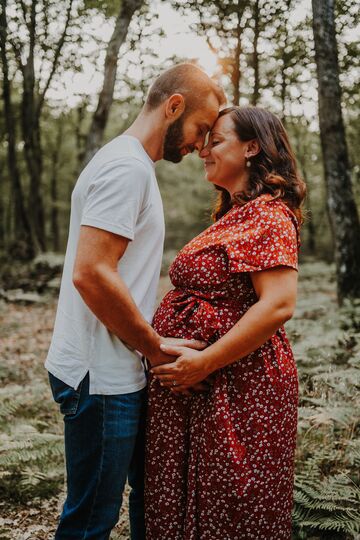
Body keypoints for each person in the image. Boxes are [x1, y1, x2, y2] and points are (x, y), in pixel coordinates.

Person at [45, 63, 226, 540]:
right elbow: (92, 273)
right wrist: (154, 347)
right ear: (173, 107)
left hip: (112, 369)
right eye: (200, 129)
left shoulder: (129, 164)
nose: (200, 146)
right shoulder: (126, 168)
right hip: (99, 376)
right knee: (90, 523)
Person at [146, 106, 307, 539]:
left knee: (233, 507)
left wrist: (203, 363)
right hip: (209, 385)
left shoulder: (268, 214)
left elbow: (277, 305)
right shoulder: (235, 214)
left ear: (251, 147)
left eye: (215, 141)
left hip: (240, 387)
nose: (202, 150)